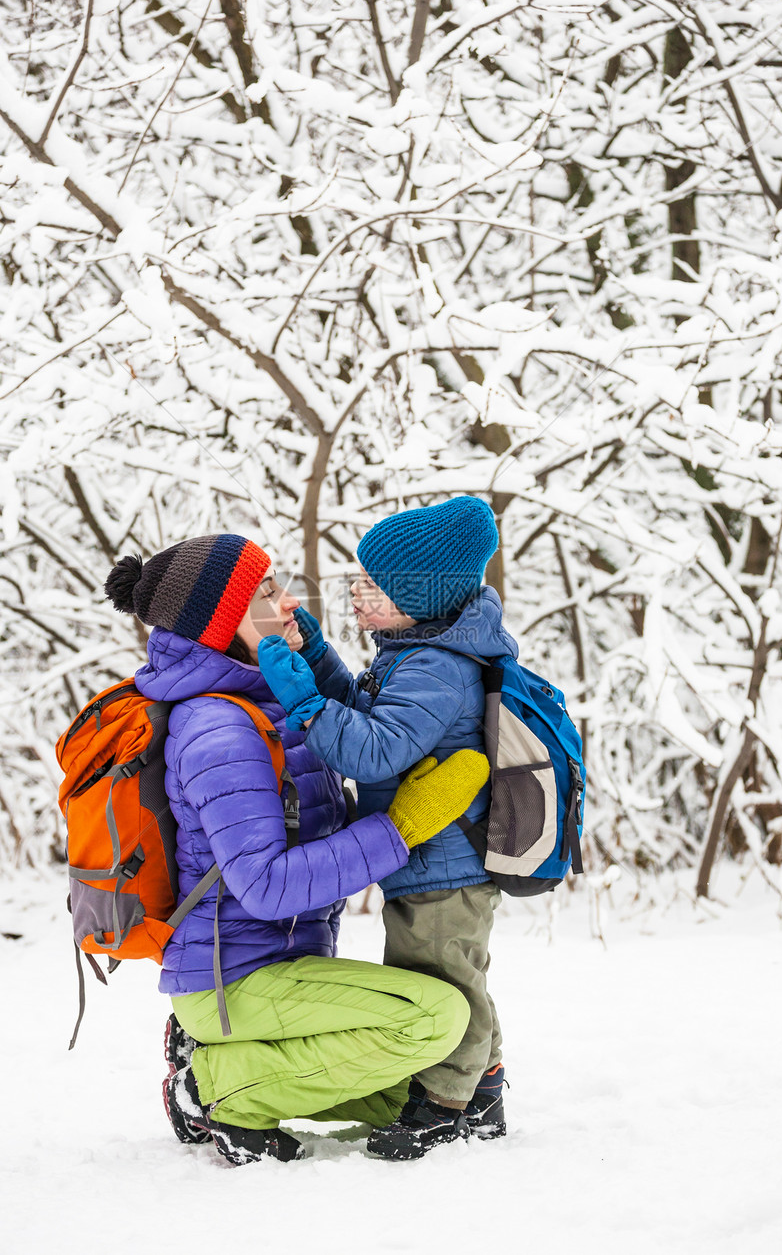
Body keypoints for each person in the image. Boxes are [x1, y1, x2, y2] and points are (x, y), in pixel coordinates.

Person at [103, 532, 489, 1167]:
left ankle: (217, 1063)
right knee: (436, 1021)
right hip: (237, 980)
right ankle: (213, 1089)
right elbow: (265, 885)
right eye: (265, 593)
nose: (287, 603)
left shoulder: (263, 701)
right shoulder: (220, 728)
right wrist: (401, 829)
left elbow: (357, 722)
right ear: (225, 619)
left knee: (418, 1090)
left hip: (278, 968)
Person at [257, 496, 518, 1160]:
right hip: (427, 858)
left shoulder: (438, 669)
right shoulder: (418, 650)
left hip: (445, 863)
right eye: (358, 579)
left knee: (443, 981)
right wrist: (314, 655)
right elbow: (366, 712)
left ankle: (446, 1106)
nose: (356, 593)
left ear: (423, 598)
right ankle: (480, 1088)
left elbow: (373, 749)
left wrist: (301, 700)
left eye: (374, 587)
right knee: (451, 972)